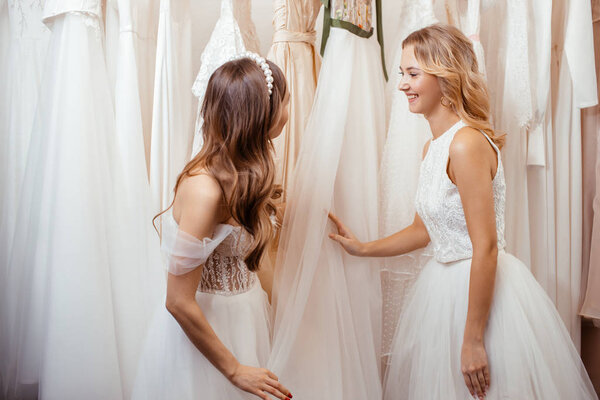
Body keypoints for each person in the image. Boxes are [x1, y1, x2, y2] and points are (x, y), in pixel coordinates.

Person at [328, 24, 598, 400]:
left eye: (413, 74)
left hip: (480, 295)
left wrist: (472, 340)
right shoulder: (433, 148)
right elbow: (424, 230)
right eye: (403, 74)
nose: (402, 84)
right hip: (442, 291)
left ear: (445, 76)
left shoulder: (466, 144)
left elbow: (485, 246)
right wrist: (363, 248)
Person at [131, 53, 292, 400]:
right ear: (259, 115)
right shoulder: (206, 190)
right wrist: (234, 369)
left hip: (248, 319)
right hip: (209, 337)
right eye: (285, 100)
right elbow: (177, 300)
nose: (288, 110)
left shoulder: (247, 172)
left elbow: (250, 260)